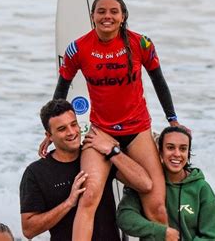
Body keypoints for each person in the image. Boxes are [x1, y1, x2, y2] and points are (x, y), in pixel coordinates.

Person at [40, 0, 183, 240]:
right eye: (101, 11)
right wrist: (49, 132)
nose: (108, 16)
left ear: (123, 16)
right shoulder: (77, 49)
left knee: (157, 206)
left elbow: (159, 81)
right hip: (100, 133)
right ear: (92, 16)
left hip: (138, 131)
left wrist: (173, 120)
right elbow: (61, 92)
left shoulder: (142, 44)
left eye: (114, 11)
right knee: (89, 197)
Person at [20, 99, 152, 240]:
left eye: (73, 124)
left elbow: (145, 184)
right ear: (49, 136)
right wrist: (68, 203)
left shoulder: (97, 157)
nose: (71, 132)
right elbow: (29, 230)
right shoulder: (36, 172)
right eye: (62, 129)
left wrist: (112, 151)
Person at [117, 126, 215, 241]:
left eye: (183, 149)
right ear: (160, 151)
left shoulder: (201, 188)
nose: (177, 154)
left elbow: (211, 236)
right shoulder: (146, 182)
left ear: (188, 153)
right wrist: (160, 232)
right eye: (170, 147)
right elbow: (125, 217)